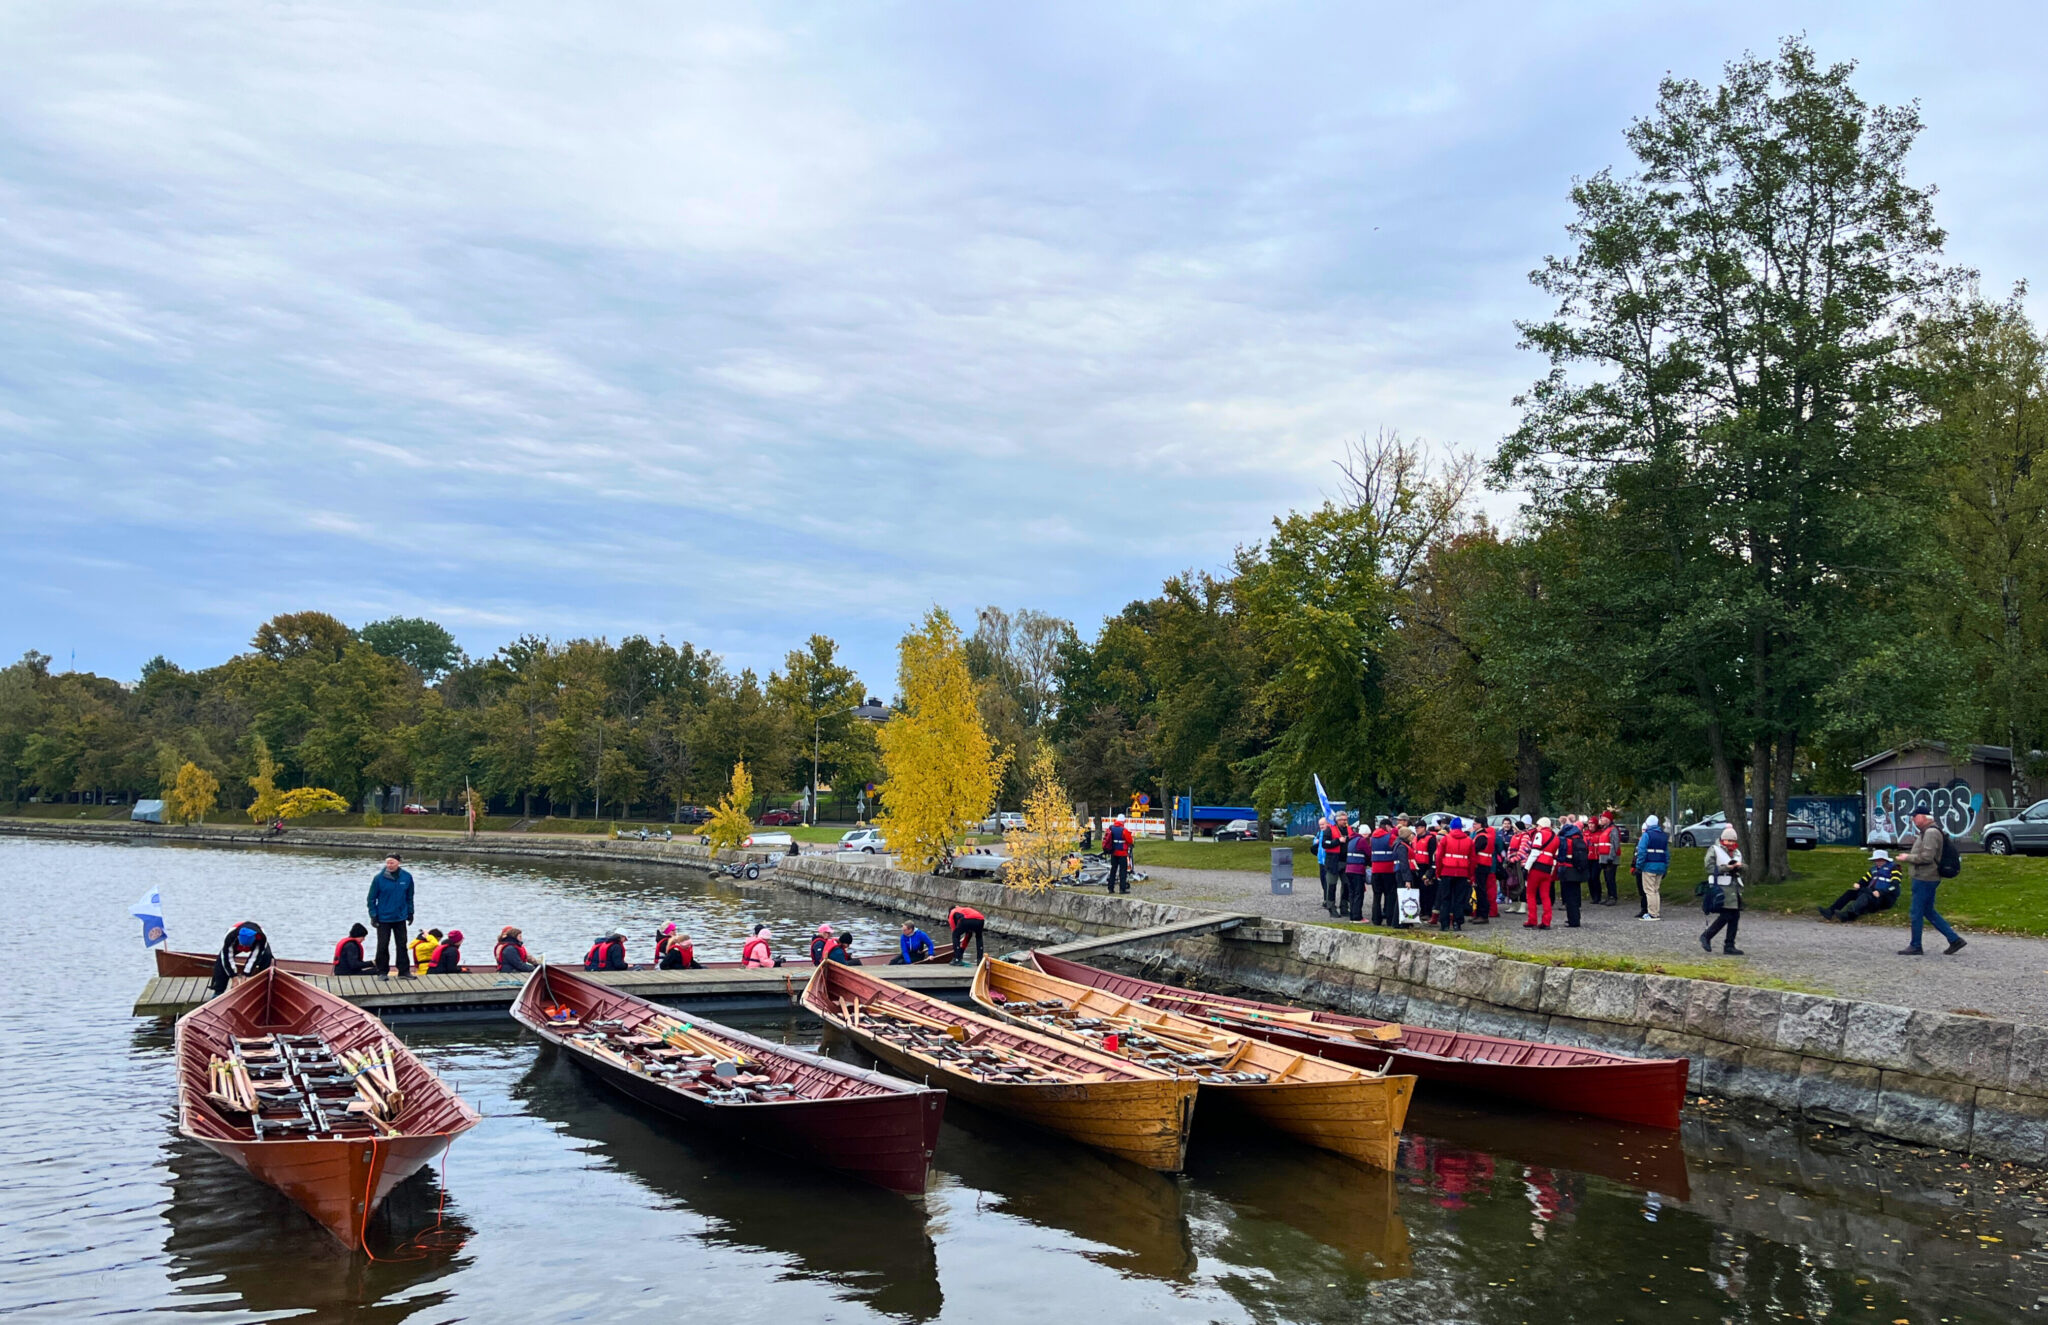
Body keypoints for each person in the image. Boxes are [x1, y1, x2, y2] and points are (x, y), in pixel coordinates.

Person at [1899, 809, 1967, 956]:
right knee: (1928, 911)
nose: (1913, 820)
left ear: (1923, 817)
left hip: (1925, 878)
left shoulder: (1930, 833)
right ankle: (1954, 940)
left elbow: (1927, 857)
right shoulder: (1928, 831)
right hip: (1926, 877)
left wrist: (1907, 857)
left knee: (1916, 912)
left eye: (1914, 817)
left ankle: (1915, 945)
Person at [367, 854, 416, 980]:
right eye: (387, 863)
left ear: (398, 863)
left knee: (402, 944)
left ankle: (404, 971)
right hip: (383, 918)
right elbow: (371, 898)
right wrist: (373, 915)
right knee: (382, 945)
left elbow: (409, 897)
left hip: (400, 917)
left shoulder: (407, 877)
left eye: (392, 863)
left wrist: (410, 913)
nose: (389, 865)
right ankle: (382, 971)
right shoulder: (379, 878)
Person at [1820, 850, 1903, 923]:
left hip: (1885, 898)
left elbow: (1895, 886)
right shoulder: (1873, 869)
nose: (1878, 862)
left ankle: (1849, 915)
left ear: (1885, 860)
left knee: (1865, 895)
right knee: (1850, 893)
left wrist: (1881, 892)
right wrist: (1859, 884)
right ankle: (1830, 911)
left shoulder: (1894, 868)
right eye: (1876, 860)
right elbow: (1865, 879)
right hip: (1872, 894)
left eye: (1880, 860)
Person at [1699, 826, 1745, 955]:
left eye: (1732, 841)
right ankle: (1707, 936)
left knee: (1734, 916)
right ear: (1722, 839)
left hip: (1733, 888)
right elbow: (1709, 868)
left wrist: (1740, 867)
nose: (1730, 843)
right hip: (1721, 887)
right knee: (1726, 915)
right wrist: (1727, 868)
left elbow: (1744, 866)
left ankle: (1729, 945)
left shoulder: (1737, 852)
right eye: (1728, 841)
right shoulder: (1714, 850)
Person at [209, 921, 274, 995]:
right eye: (243, 946)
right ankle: (218, 992)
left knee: (267, 957)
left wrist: (245, 976)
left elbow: (254, 958)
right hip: (235, 944)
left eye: (246, 946)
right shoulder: (230, 936)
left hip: (255, 944)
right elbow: (228, 958)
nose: (244, 948)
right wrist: (234, 977)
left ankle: (264, 988)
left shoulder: (261, 939)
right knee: (221, 961)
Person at [1435, 818, 1475, 931]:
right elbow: (1472, 859)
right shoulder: (1469, 840)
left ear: (1451, 827)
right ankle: (1457, 923)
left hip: (1447, 871)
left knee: (1445, 898)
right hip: (1462, 872)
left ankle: (1445, 924)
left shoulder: (1445, 839)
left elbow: (1438, 857)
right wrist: (1471, 875)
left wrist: (1438, 872)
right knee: (1459, 899)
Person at [1522, 818, 1558, 929]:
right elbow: (1555, 855)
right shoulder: (1556, 838)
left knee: (1531, 894)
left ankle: (1532, 920)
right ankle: (1546, 921)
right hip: (1548, 868)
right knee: (1545, 896)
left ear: (1541, 825)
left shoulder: (1539, 834)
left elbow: (1534, 852)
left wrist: (1526, 868)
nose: (1536, 827)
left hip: (1537, 867)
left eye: (1537, 825)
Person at [1634, 815, 1669, 920]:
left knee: (1649, 890)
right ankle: (1656, 912)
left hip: (1649, 865)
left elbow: (1642, 851)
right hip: (1661, 865)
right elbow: (1667, 853)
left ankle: (1652, 913)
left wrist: (1639, 865)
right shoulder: (1663, 836)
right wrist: (1666, 866)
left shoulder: (1647, 835)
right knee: (1656, 890)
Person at [1367, 817, 1401, 926]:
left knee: (1377, 895)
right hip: (1388, 869)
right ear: (1387, 826)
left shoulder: (1372, 837)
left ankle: (1376, 919)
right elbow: (1397, 845)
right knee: (1390, 895)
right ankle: (1390, 918)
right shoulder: (1390, 837)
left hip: (1375, 869)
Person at [1338, 817, 1368, 922]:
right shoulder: (1362, 841)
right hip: (1358, 870)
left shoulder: (1351, 840)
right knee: (1358, 893)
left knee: (1351, 892)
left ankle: (1352, 915)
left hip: (1349, 869)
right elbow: (1368, 854)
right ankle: (1357, 916)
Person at [1317, 815, 1348, 917]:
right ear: (1337, 820)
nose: (1345, 821)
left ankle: (1344, 906)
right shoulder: (1329, 830)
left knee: (1346, 884)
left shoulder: (1349, 830)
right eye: (1343, 820)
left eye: (1346, 819)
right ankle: (1331, 908)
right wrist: (1338, 841)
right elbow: (1325, 843)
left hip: (1345, 861)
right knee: (1331, 885)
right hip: (1333, 862)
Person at [1471, 819, 1498, 925]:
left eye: (1475, 823)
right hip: (1485, 864)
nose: (1473, 825)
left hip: (1481, 865)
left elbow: (1475, 850)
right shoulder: (1484, 835)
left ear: (1481, 825)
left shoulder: (1481, 837)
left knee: (1481, 890)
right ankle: (1479, 914)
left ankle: (1482, 915)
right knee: (1480, 890)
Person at [1587, 811, 1618, 906]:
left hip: (1610, 859)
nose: (1601, 820)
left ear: (1607, 819)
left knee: (1610, 878)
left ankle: (1613, 896)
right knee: (1607, 878)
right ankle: (1609, 896)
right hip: (1604, 858)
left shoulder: (1612, 830)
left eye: (1603, 818)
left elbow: (1615, 844)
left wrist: (1610, 857)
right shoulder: (1605, 829)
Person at [1103, 817, 1133, 894]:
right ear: (1123, 821)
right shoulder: (1124, 830)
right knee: (1123, 871)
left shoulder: (1111, 828)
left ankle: (1110, 888)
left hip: (1113, 852)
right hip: (1122, 853)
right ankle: (1122, 889)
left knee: (1113, 870)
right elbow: (1129, 840)